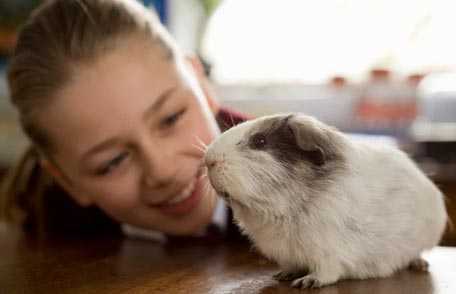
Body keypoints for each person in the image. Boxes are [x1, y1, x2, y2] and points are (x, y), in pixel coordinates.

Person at [0, 0, 249, 239]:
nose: (162, 171)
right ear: (68, 183)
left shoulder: (284, 170)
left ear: (203, 85)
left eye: (171, 119)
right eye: (113, 162)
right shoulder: (49, 230)